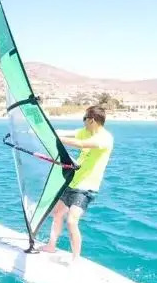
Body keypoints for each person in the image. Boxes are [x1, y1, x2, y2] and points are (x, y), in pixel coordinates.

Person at [39, 105, 114, 261]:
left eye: (85, 118)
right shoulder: (86, 132)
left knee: (72, 221)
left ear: (92, 120)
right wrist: (40, 130)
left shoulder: (105, 138)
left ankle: (75, 259)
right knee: (57, 213)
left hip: (87, 188)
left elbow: (80, 144)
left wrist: (55, 139)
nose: (83, 121)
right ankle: (51, 246)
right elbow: (64, 132)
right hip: (72, 182)